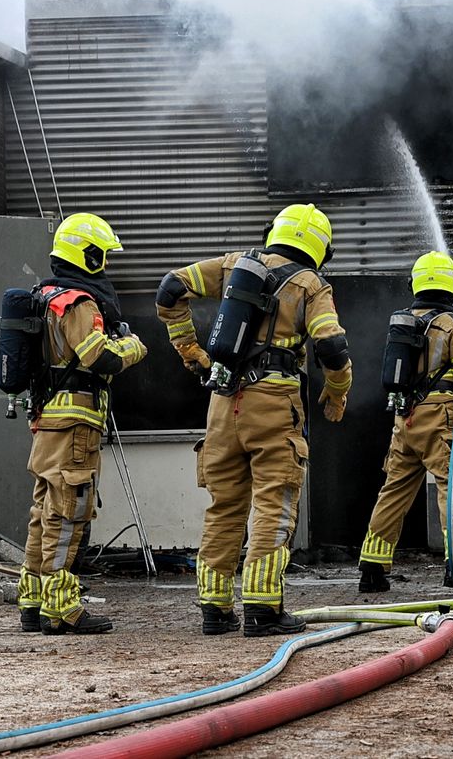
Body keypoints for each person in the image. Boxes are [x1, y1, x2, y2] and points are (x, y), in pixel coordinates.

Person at [156, 203, 352, 637]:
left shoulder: (233, 266)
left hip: (223, 403)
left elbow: (170, 289)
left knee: (224, 507)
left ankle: (215, 609)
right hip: (274, 402)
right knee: (273, 502)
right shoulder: (310, 284)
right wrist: (337, 391)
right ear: (319, 247)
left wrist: (190, 350)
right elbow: (332, 347)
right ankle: (264, 609)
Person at [17, 213, 148, 635]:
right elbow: (100, 358)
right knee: (68, 513)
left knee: (43, 510)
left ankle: (33, 601)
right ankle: (62, 608)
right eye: (103, 256)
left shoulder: (45, 295)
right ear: (87, 255)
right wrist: (132, 344)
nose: (105, 265)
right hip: (75, 422)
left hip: (49, 417)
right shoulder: (78, 302)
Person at [358, 251, 453, 596]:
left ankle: (372, 569)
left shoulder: (403, 321)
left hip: (404, 418)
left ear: (416, 284)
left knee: (394, 490)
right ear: (452, 285)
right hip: (439, 417)